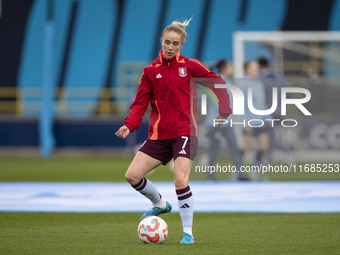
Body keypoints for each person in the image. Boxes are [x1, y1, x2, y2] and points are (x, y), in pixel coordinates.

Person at [115, 18, 231, 244]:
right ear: (161, 41)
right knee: (132, 175)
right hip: (159, 135)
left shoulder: (190, 66)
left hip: (185, 132)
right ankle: (160, 205)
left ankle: (188, 232)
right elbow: (140, 103)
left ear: (181, 45)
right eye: (167, 42)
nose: (170, 47)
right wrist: (129, 125)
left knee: (180, 180)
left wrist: (225, 109)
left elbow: (218, 82)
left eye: (175, 44)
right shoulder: (150, 71)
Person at [203, 59, 248, 181]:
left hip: (227, 123)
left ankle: (240, 174)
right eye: (230, 67)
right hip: (216, 123)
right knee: (214, 149)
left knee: (234, 148)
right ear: (224, 69)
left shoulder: (227, 82)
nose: (232, 69)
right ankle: (210, 176)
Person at [257, 57, 294, 164]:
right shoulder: (279, 77)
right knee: (269, 136)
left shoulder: (261, 79)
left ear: (260, 66)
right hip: (279, 111)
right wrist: (285, 103)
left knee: (270, 137)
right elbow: (289, 90)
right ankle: (268, 159)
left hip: (268, 112)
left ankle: (286, 152)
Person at [240, 61, 270, 180]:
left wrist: (268, 117)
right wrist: (245, 121)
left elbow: (262, 103)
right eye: (253, 68)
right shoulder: (244, 84)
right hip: (249, 121)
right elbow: (241, 104)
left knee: (264, 146)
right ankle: (238, 170)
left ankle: (255, 169)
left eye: (256, 68)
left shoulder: (259, 84)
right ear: (247, 70)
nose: (256, 70)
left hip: (261, 120)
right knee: (246, 147)